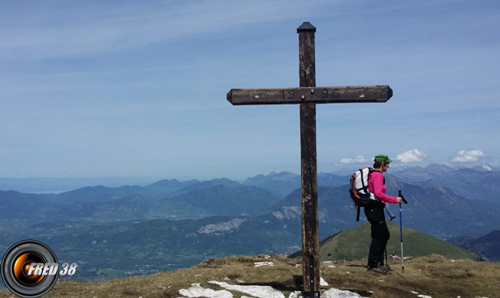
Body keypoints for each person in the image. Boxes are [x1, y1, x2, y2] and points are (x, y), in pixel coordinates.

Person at [365, 154, 403, 274]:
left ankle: (378, 262)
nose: (388, 166)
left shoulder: (372, 174)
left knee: (382, 235)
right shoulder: (377, 176)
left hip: (372, 208)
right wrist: (394, 200)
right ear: (382, 164)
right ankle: (373, 264)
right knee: (380, 236)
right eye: (387, 164)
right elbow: (378, 194)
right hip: (374, 209)